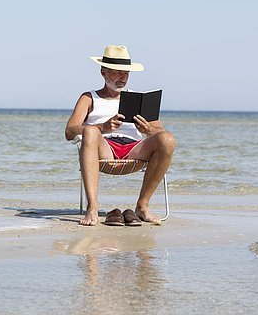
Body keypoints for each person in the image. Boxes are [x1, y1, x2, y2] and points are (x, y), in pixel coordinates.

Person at [65, 45, 176, 226]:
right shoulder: (89, 97)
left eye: (126, 73)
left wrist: (149, 131)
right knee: (90, 131)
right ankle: (92, 208)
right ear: (104, 72)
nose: (122, 78)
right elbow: (70, 131)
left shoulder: (137, 98)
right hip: (104, 148)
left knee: (168, 138)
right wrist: (102, 126)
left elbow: (161, 134)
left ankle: (142, 206)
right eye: (117, 73)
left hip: (135, 149)